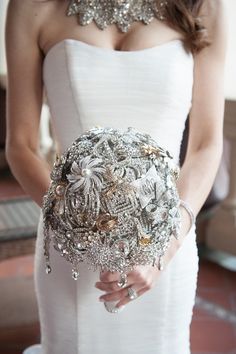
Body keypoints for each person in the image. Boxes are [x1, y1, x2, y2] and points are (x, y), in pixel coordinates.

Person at [5, 0, 227, 353]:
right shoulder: (32, 7)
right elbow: (20, 145)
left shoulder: (204, 5)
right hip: (70, 243)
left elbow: (205, 144)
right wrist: (77, 225)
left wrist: (161, 249)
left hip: (167, 240)